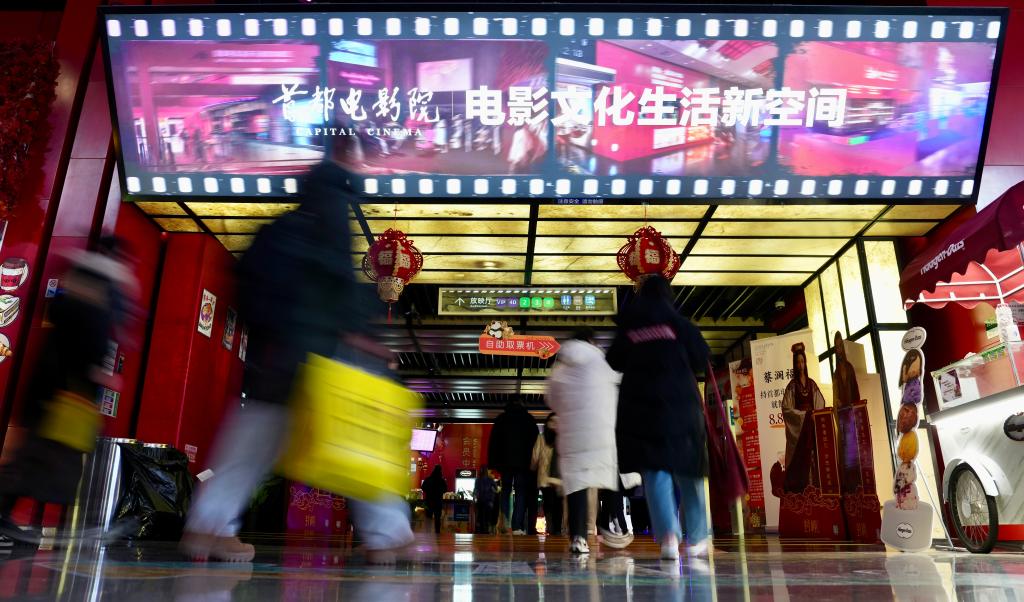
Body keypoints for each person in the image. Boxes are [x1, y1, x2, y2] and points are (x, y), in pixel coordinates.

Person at [180, 150, 413, 563]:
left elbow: (246, 288)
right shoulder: (332, 225)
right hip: (323, 359)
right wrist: (360, 334)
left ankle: (208, 527)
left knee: (251, 444)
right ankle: (390, 536)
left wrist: (268, 338)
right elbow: (340, 289)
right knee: (357, 442)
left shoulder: (276, 232)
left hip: (278, 360)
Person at [0, 238, 138, 545]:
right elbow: (89, 347)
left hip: (48, 392)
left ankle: (8, 516)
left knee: (38, 458)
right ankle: (75, 522)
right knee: (52, 461)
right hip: (66, 396)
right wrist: (99, 374)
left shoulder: (72, 290)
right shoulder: (98, 298)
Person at [606, 275, 711, 560]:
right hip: (682, 410)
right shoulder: (680, 325)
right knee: (689, 471)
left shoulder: (631, 326)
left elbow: (613, 360)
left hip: (643, 412)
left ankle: (668, 538)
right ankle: (698, 537)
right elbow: (702, 357)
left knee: (655, 472)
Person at [545, 326, 627, 554]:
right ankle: (612, 523)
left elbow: (551, 399)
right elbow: (618, 383)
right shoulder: (601, 362)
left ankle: (578, 538)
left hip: (572, 436)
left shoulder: (560, 369)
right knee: (608, 478)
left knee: (576, 486)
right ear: (591, 340)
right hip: (601, 432)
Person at [487, 400, 539, 535]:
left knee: (505, 491)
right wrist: (533, 464)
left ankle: (504, 524)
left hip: (505, 463)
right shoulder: (528, 419)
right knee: (520, 493)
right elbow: (535, 442)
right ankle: (516, 526)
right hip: (523, 464)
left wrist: (493, 463)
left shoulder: (501, 419)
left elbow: (494, 442)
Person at [781, 342, 827, 494]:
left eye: (802, 361)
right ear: (794, 365)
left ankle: (815, 488)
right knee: (801, 459)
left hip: (811, 427)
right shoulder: (792, 386)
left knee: (814, 456)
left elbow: (820, 403)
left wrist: (815, 415)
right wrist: (806, 416)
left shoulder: (811, 384)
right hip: (801, 429)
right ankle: (802, 491)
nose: (800, 365)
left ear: (805, 363)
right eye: (798, 362)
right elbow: (786, 409)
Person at [531, 414, 563, 536]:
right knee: (553, 503)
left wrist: (533, 468)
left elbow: (535, 457)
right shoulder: (546, 438)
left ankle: (555, 528)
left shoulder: (543, 438)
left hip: (554, 477)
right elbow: (535, 457)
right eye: (552, 421)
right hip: (548, 478)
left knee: (554, 503)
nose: (554, 424)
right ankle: (553, 528)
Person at [421, 466, 447, 535]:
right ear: (440, 471)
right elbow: (445, 489)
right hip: (438, 502)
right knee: (437, 518)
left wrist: (429, 491)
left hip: (429, 501)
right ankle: (437, 533)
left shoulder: (428, 479)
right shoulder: (441, 480)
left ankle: (428, 532)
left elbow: (423, 487)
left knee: (428, 518)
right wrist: (440, 492)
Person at [473, 466, 497, 535]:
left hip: (480, 500)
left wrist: (474, 497)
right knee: (487, 516)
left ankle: (481, 530)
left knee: (480, 516)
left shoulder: (478, 479)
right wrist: (492, 498)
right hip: (488, 500)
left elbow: (476, 489)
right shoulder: (490, 479)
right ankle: (486, 530)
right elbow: (495, 488)